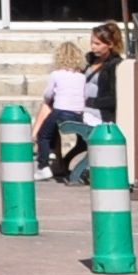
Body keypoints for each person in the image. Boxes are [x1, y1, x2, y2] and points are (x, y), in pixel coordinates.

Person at [41, 45, 93, 180]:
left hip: (60, 111)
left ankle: (43, 165)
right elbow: (85, 95)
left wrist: (48, 99)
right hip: (77, 113)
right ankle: (69, 162)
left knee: (44, 135)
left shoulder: (56, 74)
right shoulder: (82, 77)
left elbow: (48, 93)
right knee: (82, 142)